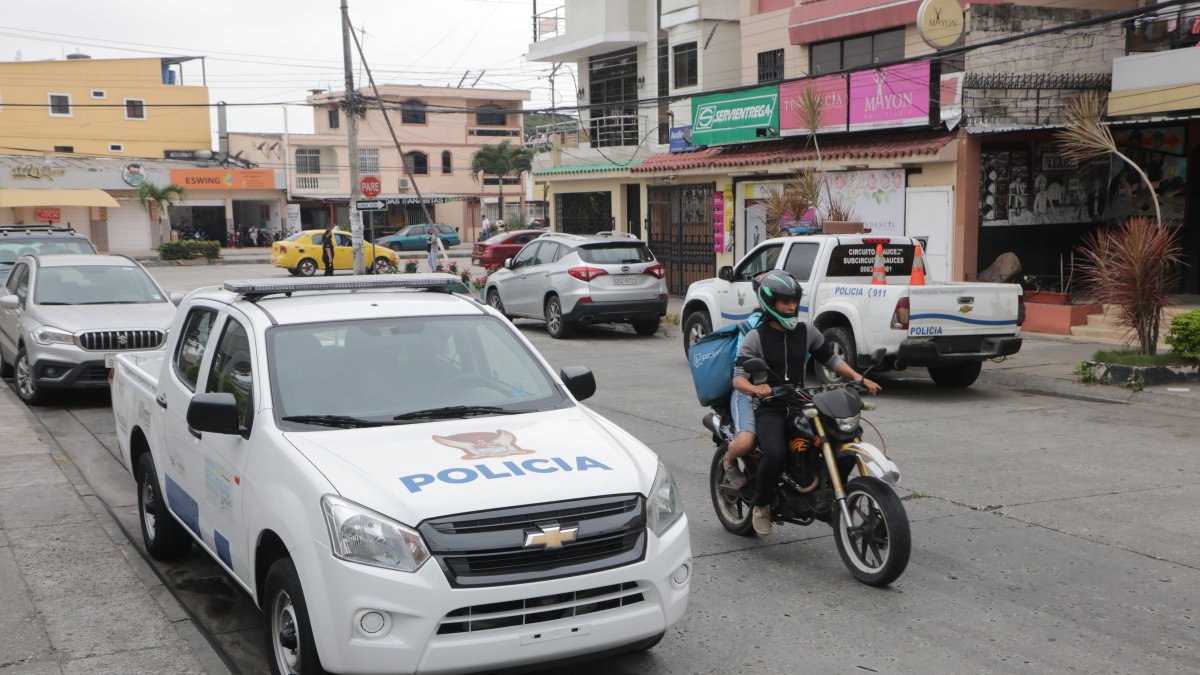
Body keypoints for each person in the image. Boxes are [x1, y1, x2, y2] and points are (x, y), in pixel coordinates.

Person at [732, 270, 881, 537]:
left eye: (793, 301)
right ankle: (762, 504)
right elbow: (738, 378)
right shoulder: (757, 337)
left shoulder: (806, 331)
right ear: (770, 303)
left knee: (842, 437)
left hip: (801, 400)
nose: (791, 307)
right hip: (771, 406)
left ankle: (832, 492)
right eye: (784, 302)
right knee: (775, 453)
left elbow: (831, 360)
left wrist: (859, 378)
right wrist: (757, 388)